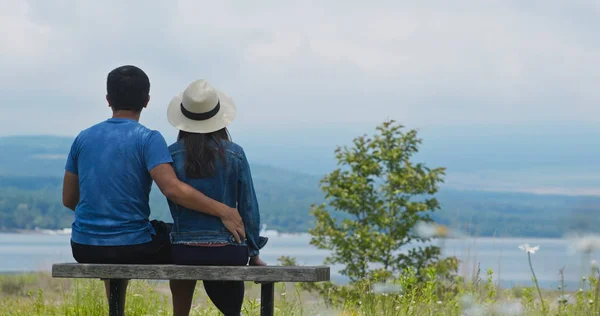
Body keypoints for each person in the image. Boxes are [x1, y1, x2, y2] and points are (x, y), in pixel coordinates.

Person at [61, 65, 246, 315]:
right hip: (134, 246)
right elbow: (172, 189)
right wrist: (223, 210)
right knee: (179, 238)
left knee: (124, 245)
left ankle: (116, 310)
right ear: (147, 101)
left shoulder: (82, 139)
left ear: (108, 100)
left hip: (83, 246)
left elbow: (69, 199)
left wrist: (102, 220)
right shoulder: (148, 138)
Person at [165, 79, 267, 316]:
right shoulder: (235, 154)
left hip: (183, 251)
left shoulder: (170, 154)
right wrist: (253, 252)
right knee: (231, 302)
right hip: (228, 250)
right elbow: (249, 206)